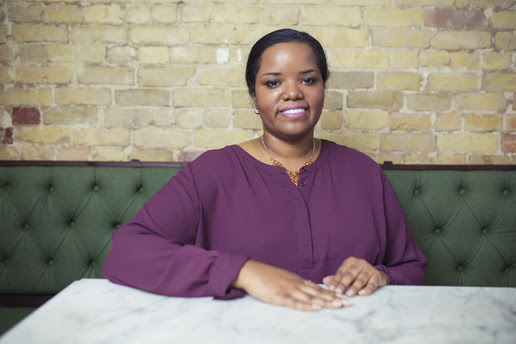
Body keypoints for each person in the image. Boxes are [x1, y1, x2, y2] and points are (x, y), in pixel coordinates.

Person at [103, 29, 427, 311]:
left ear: (322, 89)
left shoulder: (364, 173)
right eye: (273, 82)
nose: (292, 92)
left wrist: (382, 275)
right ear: (254, 97)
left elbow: (412, 268)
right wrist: (243, 272)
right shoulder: (212, 172)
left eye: (308, 79)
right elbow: (126, 252)